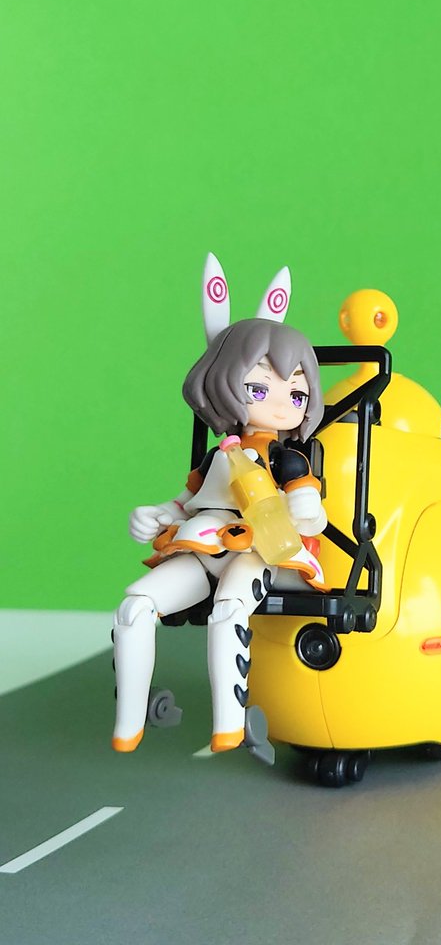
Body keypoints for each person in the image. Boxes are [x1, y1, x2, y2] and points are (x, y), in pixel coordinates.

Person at [112, 255, 327, 754]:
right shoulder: (216, 457)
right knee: (135, 606)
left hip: (260, 551)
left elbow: (308, 505)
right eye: (259, 388)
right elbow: (186, 502)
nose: (282, 403)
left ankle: (229, 725)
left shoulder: (287, 459)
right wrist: (157, 515)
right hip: (202, 547)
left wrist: (306, 511)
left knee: (230, 609)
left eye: (296, 393)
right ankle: (129, 720)